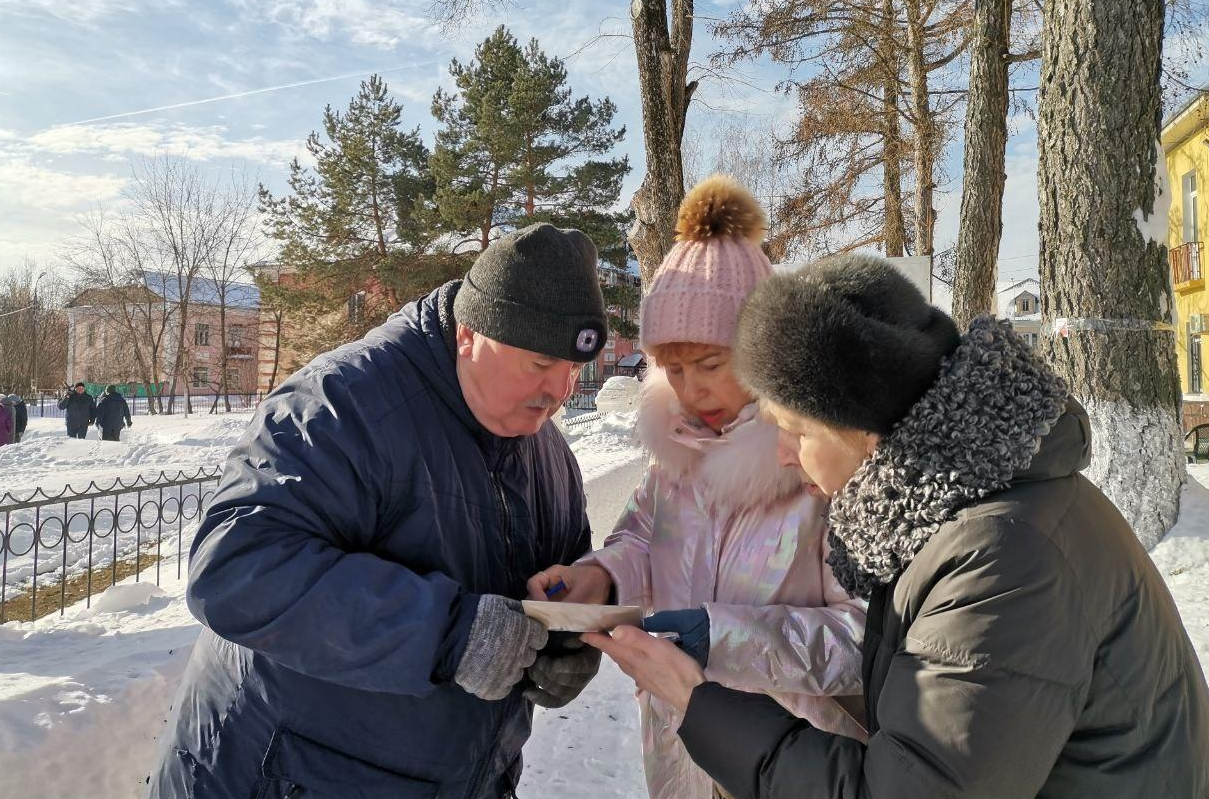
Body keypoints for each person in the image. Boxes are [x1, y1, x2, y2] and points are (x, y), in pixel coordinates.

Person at [586, 255, 1209, 799]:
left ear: (861, 427)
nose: (780, 454)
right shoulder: (957, 516)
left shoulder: (1002, 557)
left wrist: (701, 703)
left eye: (797, 431)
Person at [149, 223, 610, 799]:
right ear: (469, 334)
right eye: (540, 362)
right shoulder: (342, 403)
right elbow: (236, 569)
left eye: (573, 368)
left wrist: (565, 645)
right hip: (280, 773)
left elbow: (561, 584)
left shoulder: (548, 454)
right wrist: (450, 635)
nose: (560, 388)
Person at [529, 176, 866, 799]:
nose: (691, 390)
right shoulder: (673, 455)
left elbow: (872, 640)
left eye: (711, 365)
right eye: (673, 368)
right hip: (682, 756)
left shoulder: (823, 469)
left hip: (798, 766)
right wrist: (600, 578)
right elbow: (639, 537)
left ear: (765, 352)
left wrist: (726, 638)